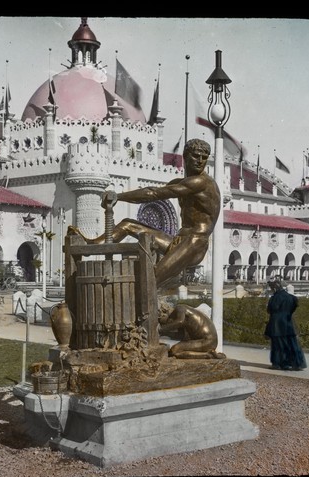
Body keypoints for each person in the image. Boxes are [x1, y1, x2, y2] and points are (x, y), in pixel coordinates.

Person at [68, 138, 220, 288]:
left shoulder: (201, 183)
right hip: (179, 239)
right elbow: (157, 193)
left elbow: (152, 194)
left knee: (150, 279)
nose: (200, 161)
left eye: (204, 158)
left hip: (195, 242)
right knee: (127, 225)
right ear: (185, 156)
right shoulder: (180, 183)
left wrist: (118, 197)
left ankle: (146, 311)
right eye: (196, 156)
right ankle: (93, 245)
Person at [264, 276, 307, 371]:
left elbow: (269, 311)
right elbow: (293, 308)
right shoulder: (291, 298)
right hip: (288, 321)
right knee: (291, 342)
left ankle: (278, 363)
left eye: (271, 288)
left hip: (276, 323)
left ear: (274, 288)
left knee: (277, 344)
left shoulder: (274, 298)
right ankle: (296, 363)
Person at [157, 302, 225, 359]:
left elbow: (180, 322)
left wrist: (160, 330)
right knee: (175, 350)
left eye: (162, 321)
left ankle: (208, 355)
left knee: (175, 350)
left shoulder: (180, 309)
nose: (165, 323)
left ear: (164, 312)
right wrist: (165, 333)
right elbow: (181, 335)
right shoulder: (179, 317)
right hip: (204, 340)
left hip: (207, 341)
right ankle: (207, 354)